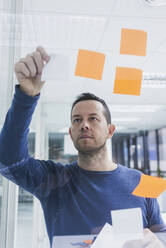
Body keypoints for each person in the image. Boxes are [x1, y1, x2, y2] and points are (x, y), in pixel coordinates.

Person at [0, 46, 165, 248]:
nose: (84, 124)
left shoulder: (141, 183)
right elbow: (9, 160)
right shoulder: (53, 180)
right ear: (71, 133)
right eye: (77, 120)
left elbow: (161, 234)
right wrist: (26, 95)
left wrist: (157, 242)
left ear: (110, 130)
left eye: (93, 118)